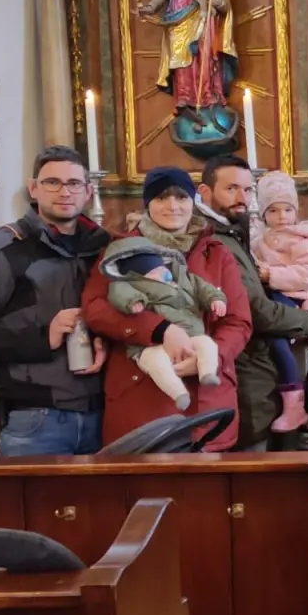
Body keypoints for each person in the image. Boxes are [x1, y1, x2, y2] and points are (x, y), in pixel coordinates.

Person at [0, 146, 111, 455]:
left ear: (88, 191)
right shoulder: (2, 249)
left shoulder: (104, 247)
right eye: (52, 182)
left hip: (104, 415)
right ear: (33, 188)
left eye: (74, 183)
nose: (64, 191)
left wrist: (105, 336)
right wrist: (43, 338)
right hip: (36, 419)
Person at [82, 167, 251, 450]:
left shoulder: (216, 252)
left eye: (182, 198)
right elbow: (96, 308)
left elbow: (238, 322)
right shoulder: (122, 249)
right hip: (143, 394)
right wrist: (159, 330)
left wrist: (211, 357)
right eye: (161, 198)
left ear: (193, 201)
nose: (172, 206)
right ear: (148, 203)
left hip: (208, 398)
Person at [197, 157, 308, 447]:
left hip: (255, 370)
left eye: (248, 190)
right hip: (244, 372)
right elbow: (255, 310)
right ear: (205, 192)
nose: (243, 199)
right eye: (232, 188)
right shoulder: (216, 239)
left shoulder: (232, 234)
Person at [100, 237, 227, 409]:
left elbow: (205, 288)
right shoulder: (130, 285)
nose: (163, 275)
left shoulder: (184, 280)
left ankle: (208, 373)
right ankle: (179, 393)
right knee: (155, 362)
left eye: (162, 270)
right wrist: (133, 301)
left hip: (191, 333)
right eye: (154, 273)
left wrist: (216, 299)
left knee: (207, 344)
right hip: (152, 343)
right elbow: (119, 292)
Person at [249, 170, 308, 434]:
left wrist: (270, 274)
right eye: (273, 211)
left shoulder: (305, 237)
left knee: (278, 338)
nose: (281, 217)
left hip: (297, 297)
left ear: (296, 212)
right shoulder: (258, 239)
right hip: (272, 295)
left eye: (286, 210)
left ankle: (294, 402)